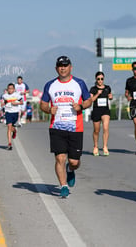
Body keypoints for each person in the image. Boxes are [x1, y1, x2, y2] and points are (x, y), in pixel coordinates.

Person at [40, 56, 92, 198]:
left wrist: (80, 106)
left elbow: (88, 101)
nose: (63, 68)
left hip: (75, 127)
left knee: (74, 161)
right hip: (56, 127)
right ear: (56, 68)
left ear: (71, 67)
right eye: (60, 66)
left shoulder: (79, 83)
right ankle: (63, 186)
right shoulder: (50, 85)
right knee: (60, 158)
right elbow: (43, 104)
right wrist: (48, 109)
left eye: (65, 65)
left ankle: (70, 169)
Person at [90, 71, 113, 156]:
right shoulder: (93, 89)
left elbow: (110, 96)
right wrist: (97, 94)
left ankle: (105, 146)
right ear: (96, 79)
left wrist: (111, 97)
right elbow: (91, 100)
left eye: (102, 79)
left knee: (105, 128)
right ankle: (96, 146)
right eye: (98, 79)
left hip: (105, 111)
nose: (100, 80)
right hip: (96, 111)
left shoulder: (107, 88)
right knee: (96, 130)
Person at [1, 83, 23, 150]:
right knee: (9, 127)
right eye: (9, 89)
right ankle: (9, 143)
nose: (10, 90)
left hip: (15, 113)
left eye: (11, 89)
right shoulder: (4, 96)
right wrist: (3, 104)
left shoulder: (17, 95)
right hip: (8, 113)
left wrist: (16, 103)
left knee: (12, 128)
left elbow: (21, 102)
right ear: (7, 89)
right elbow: (3, 103)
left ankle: (15, 131)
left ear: (14, 89)